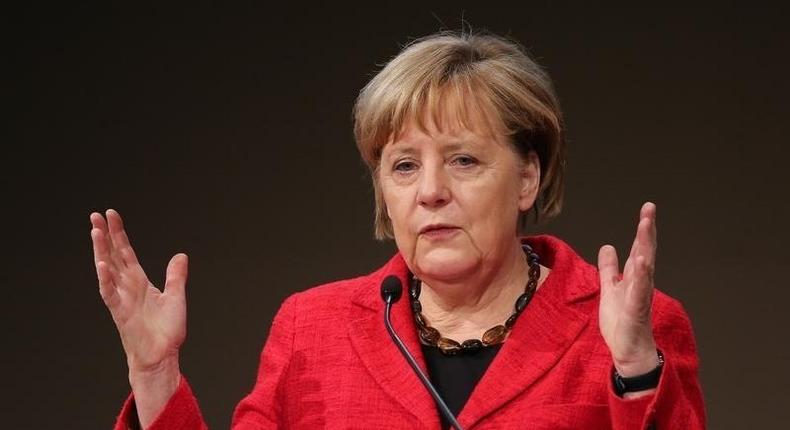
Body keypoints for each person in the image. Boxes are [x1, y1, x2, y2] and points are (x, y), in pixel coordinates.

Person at [91, 30, 705, 429]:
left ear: (526, 178)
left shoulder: (627, 327)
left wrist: (634, 369)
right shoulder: (313, 330)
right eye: (404, 165)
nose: (430, 190)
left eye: (463, 160)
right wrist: (155, 376)